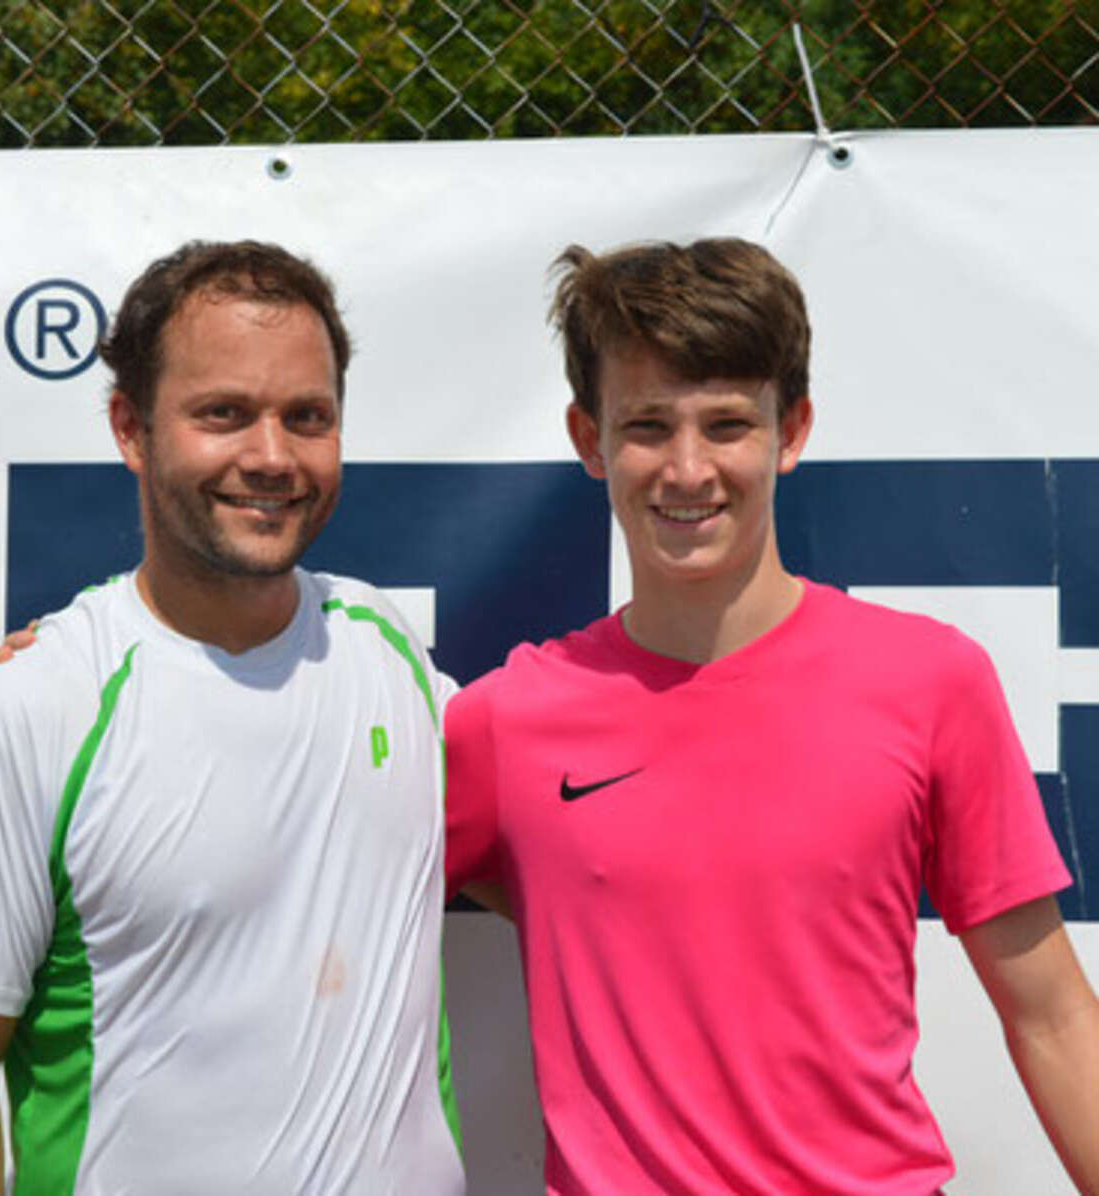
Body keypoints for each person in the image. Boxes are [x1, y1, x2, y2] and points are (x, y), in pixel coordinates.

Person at [445, 237, 1099, 1194]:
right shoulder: (505, 723)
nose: (687, 469)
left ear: (790, 432)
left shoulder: (931, 682)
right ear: (589, 440)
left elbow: (1054, 1017)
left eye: (726, 425)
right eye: (648, 427)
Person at [0, 240, 464, 1194]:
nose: (271, 457)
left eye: (307, 417)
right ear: (131, 427)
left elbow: (580, 820)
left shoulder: (388, 652)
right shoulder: (31, 711)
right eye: (223, 414)